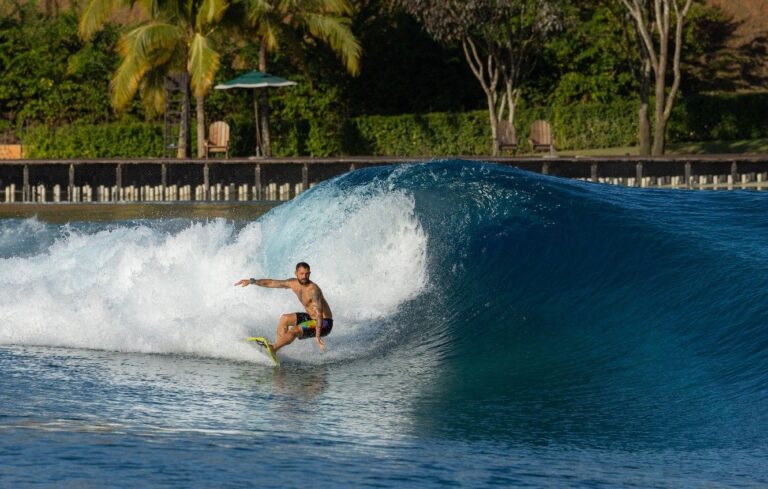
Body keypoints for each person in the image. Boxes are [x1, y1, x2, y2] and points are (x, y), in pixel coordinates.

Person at [235, 262, 333, 353]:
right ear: (296, 273)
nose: (304, 276)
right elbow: (271, 283)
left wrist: (318, 336)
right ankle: (278, 349)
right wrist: (252, 281)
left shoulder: (313, 290)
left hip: (324, 323)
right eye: (302, 274)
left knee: (294, 330)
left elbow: (319, 314)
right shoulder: (293, 283)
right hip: (312, 318)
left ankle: (274, 348)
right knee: (285, 318)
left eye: (307, 274)